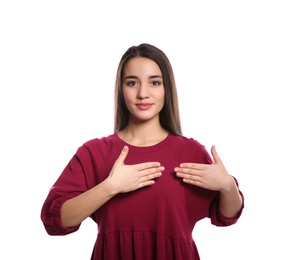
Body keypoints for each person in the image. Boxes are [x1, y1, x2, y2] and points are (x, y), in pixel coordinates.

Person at [41, 43, 244, 260]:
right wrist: (110, 187)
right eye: (132, 83)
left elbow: (226, 215)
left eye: (154, 82)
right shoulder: (94, 152)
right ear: (121, 89)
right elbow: (55, 220)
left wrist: (227, 186)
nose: (143, 94)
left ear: (167, 89)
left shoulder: (190, 151)